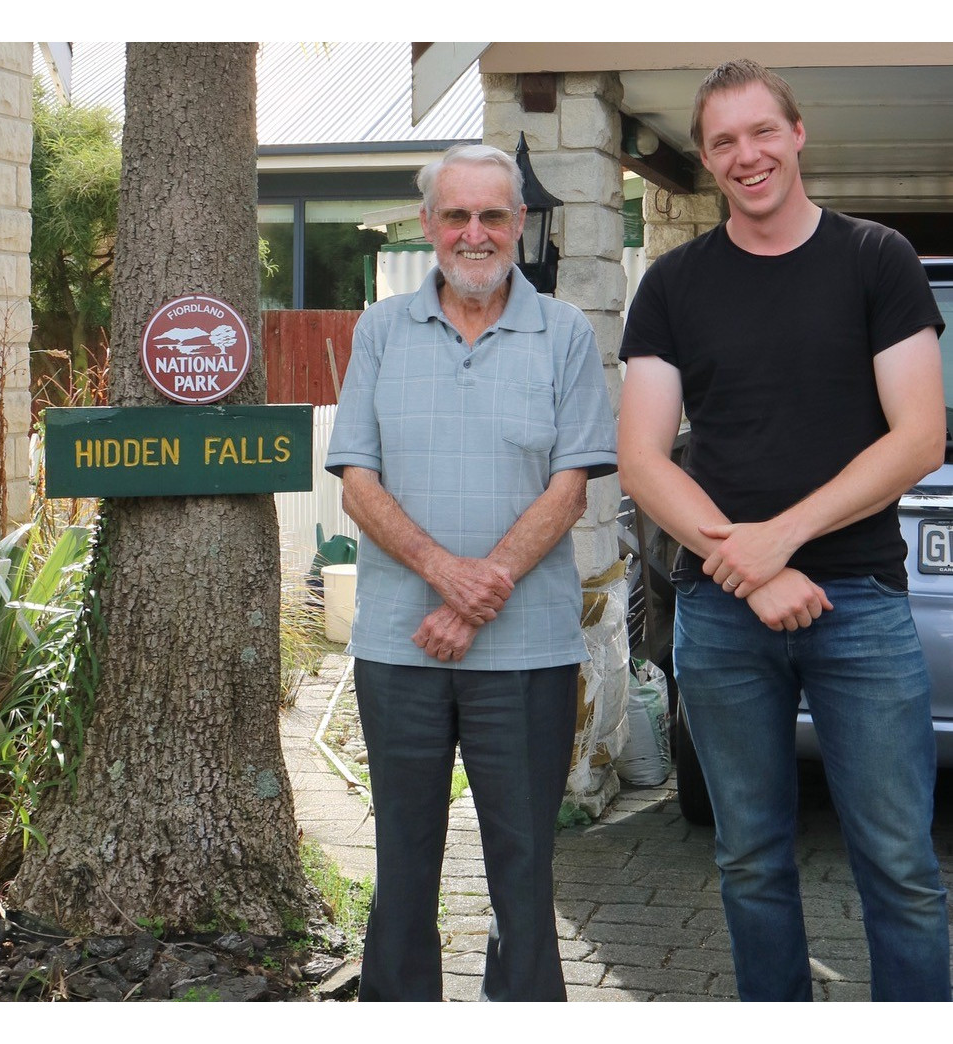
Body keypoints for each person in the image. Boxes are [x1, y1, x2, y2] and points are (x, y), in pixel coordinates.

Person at [618, 58, 950, 1001]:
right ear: (709, 158)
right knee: (750, 861)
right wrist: (750, 565)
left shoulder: (874, 258)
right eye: (722, 141)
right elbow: (643, 459)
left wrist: (781, 538)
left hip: (863, 606)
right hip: (723, 618)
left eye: (762, 131)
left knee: (899, 866)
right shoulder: (673, 284)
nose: (745, 155)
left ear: (797, 134)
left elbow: (919, 436)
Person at [325, 143, 616, 1001]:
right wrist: (447, 574)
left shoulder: (564, 334)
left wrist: (474, 594)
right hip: (397, 645)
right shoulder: (379, 329)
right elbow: (356, 482)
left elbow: (570, 491)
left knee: (524, 866)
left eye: (493, 215)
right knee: (404, 862)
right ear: (428, 226)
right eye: (457, 215)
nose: (475, 233)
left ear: (519, 224)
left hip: (528, 653)